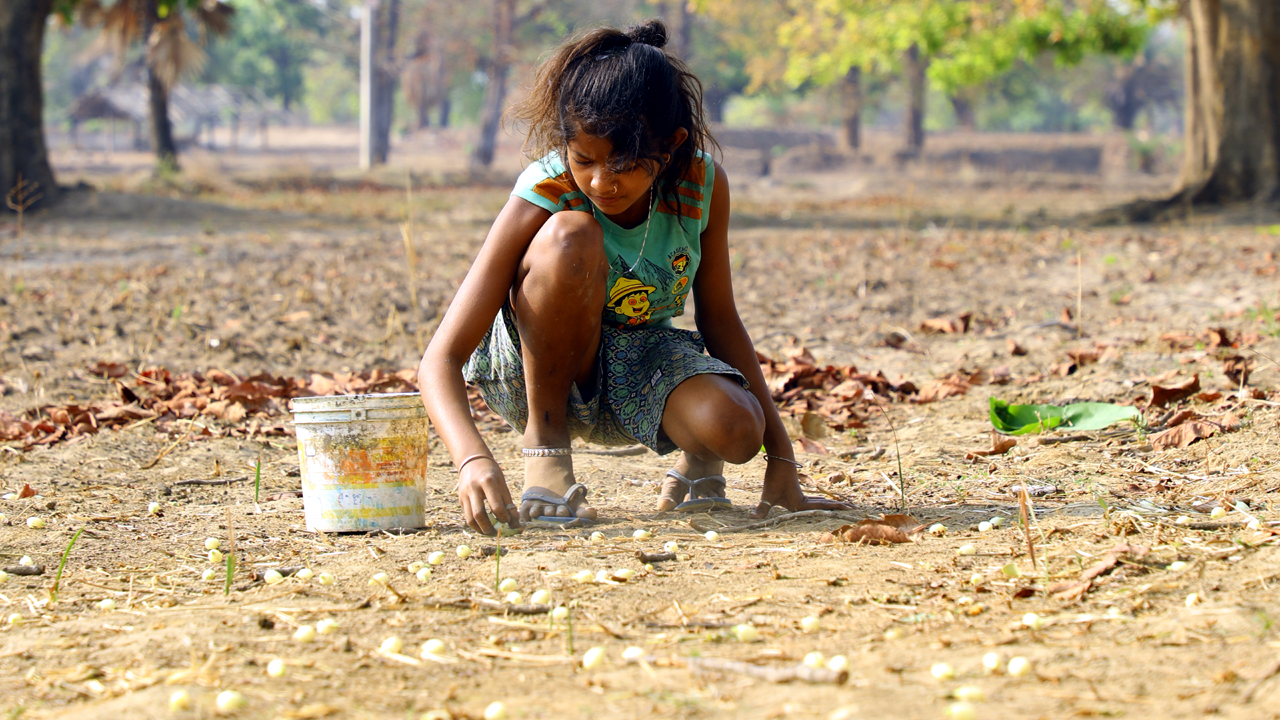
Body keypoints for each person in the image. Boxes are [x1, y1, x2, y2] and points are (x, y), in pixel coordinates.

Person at [417, 19, 848, 535]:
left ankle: (697, 461)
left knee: (738, 428)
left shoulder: (700, 184)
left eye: (623, 163)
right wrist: (471, 459)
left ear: (669, 147)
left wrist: (779, 457)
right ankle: (547, 451)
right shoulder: (548, 186)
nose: (601, 181)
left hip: (639, 365)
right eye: (584, 160)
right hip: (537, 373)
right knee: (570, 236)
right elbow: (440, 359)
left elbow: (720, 319)